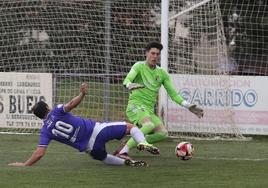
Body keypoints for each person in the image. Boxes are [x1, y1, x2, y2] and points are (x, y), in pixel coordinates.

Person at [8, 83, 159, 167]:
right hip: (97, 131)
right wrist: (82, 94)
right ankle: (143, 143)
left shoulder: (45, 131)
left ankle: (127, 163)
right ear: (47, 108)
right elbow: (71, 104)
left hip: (90, 148)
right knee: (130, 127)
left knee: (103, 158)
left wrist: (25, 164)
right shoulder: (56, 111)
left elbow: (40, 153)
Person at [115, 42, 204, 159]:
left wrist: (188, 106)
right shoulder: (139, 66)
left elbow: (174, 95)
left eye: (157, 54)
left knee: (162, 133)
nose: (155, 56)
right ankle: (123, 151)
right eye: (152, 53)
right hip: (135, 106)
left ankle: (136, 142)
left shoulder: (162, 73)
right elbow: (127, 79)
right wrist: (128, 84)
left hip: (148, 110)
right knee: (149, 125)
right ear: (146, 53)